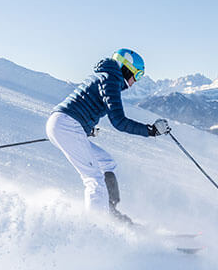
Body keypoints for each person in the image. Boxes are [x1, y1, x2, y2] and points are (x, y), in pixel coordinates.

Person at [46, 48, 170, 222]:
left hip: (65, 124)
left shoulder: (106, 77)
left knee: (106, 162)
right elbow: (119, 121)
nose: (136, 81)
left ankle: (110, 210)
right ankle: (96, 228)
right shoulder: (111, 79)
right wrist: (152, 131)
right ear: (126, 68)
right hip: (67, 125)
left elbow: (84, 104)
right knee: (94, 179)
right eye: (138, 74)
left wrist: (87, 128)